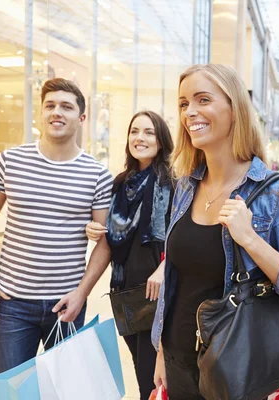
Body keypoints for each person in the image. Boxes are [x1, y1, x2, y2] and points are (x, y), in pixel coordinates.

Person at [150, 64, 279, 398]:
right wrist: (160, 350)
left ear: (235, 110)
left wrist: (250, 240)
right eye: (184, 104)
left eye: (202, 99)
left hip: (236, 370)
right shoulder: (184, 187)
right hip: (177, 360)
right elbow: (175, 277)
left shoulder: (275, 192)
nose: (190, 112)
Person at [0, 78, 114, 374]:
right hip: (13, 304)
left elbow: (106, 241)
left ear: (81, 117)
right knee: (12, 392)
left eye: (66, 106)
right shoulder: (10, 161)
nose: (56, 112)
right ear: (41, 113)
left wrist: (82, 292)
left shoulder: (97, 174)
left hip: (66, 304)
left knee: (67, 392)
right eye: (50, 105)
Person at [85, 110, 174, 400]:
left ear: (161, 140)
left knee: (155, 377)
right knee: (140, 369)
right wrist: (93, 229)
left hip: (156, 292)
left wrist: (166, 266)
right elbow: (112, 233)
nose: (140, 137)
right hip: (124, 292)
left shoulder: (173, 181)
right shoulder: (121, 182)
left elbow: (182, 233)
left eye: (149, 132)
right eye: (135, 131)